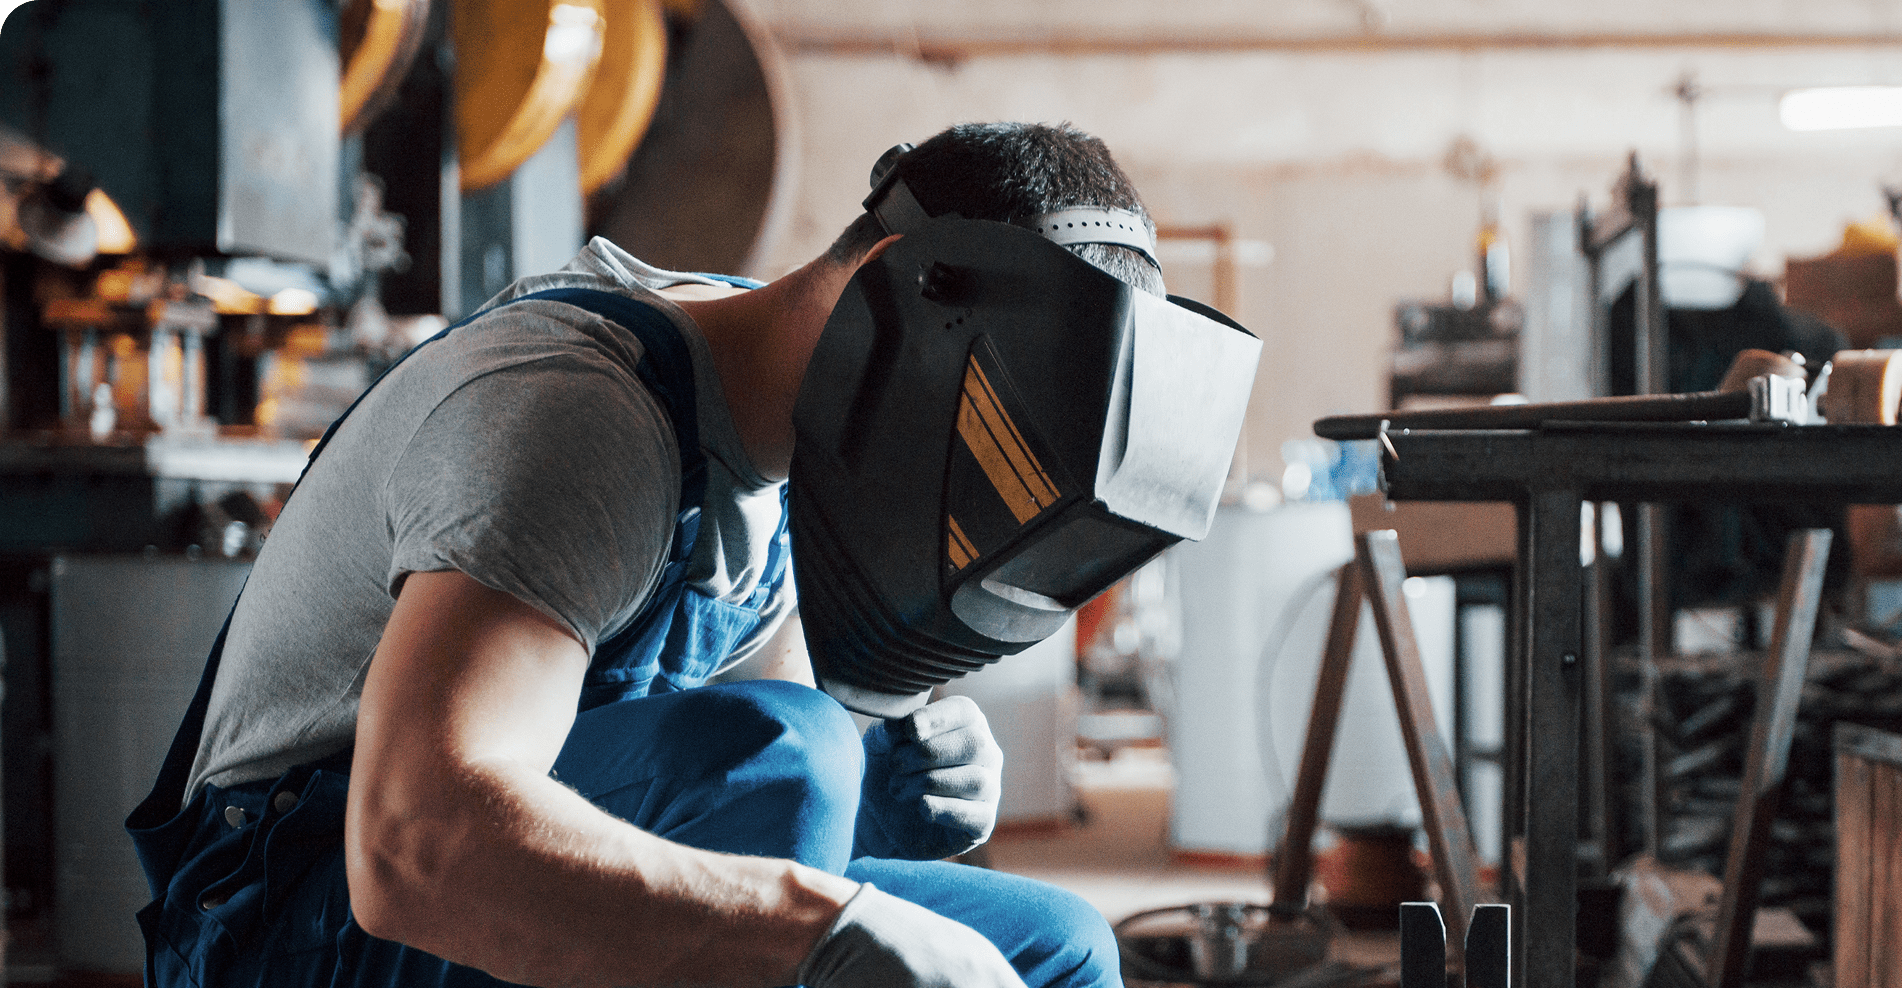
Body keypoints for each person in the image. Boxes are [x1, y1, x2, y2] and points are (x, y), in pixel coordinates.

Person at [126, 122, 1162, 988]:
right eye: (981, 424)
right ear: (902, 292)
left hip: (485, 862)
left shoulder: (787, 426)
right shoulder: (584, 422)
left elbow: (728, 803)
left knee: (1057, 948)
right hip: (288, 918)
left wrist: (883, 799)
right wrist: (815, 925)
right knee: (789, 757)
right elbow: (411, 847)